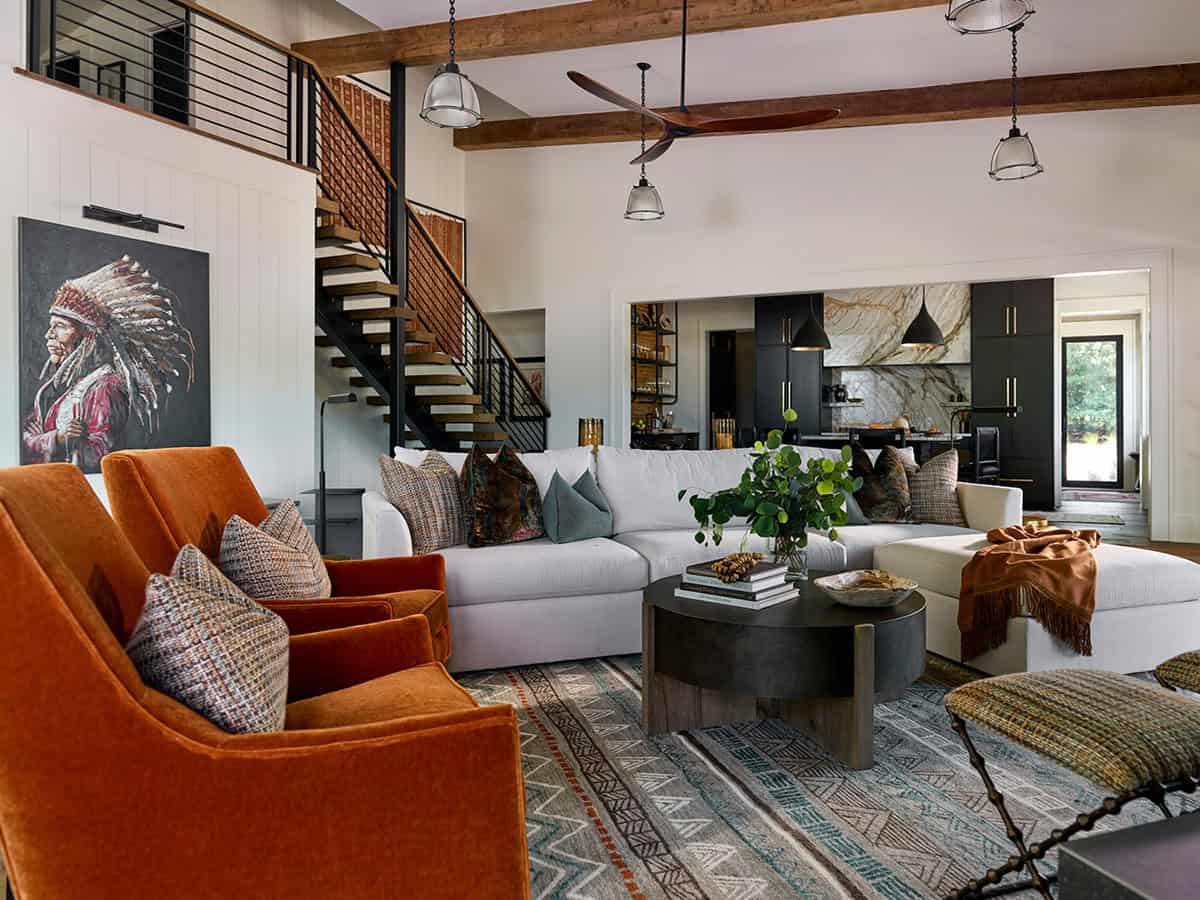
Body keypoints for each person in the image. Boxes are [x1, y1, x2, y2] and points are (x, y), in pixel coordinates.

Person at [22, 255, 195, 473]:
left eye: (60, 326)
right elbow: (26, 437)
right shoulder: (55, 386)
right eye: (51, 326)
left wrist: (71, 443)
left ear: (88, 337)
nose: (49, 335)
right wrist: (58, 438)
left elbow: (104, 457)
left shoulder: (106, 386)